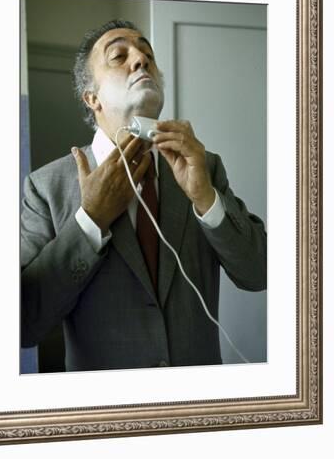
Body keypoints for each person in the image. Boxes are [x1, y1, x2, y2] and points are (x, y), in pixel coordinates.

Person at [20, 19, 266, 372]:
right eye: (119, 55)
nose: (140, 59)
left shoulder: (204, 167)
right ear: (92, 98)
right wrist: (90, 220)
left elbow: (259, 274)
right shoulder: (45, 188)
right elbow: (25, 323)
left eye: (147, 54)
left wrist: (207, 199)